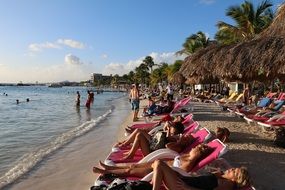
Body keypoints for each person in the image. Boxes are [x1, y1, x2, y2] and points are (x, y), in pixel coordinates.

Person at [93, 144, 212, 179]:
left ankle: (106, 173)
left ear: (199, 154)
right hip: (158, 164)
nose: (197, 146)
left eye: (199, 148)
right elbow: (169, 145)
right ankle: (109, 168)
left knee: (130, 170)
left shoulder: (189, 162)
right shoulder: (187, 155)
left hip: (156, 171)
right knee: (135, 165)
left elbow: (179, 175)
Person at [151, 160, 251, 190]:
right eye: (234, 168)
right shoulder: (222, 175)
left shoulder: (227, 184)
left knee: (159, 164)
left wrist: (187, 187)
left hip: (181, 187)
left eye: (234, 171)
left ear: (235, 179)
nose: (231, 169)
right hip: (184, 180)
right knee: (156, 164)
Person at [118, 121, 185, 160]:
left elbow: (167, 141)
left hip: (152, 153)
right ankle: (129, 150)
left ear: (177, 134)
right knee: (139, 133)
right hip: (153, 144)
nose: (169, 132)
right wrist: (168, 127)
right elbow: (165, 135)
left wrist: (169, 131)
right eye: (170, 130)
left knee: (139, 135)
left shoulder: (174, 140)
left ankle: (130, 154)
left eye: (172, 133)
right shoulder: (170, 135)